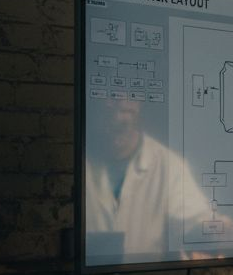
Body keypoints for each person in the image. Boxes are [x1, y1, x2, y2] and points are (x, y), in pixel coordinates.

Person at [85, 97, 220, 261]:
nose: (117, 117)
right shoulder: (77, 160)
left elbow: (198, 225)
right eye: (110, 101)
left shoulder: (170, 165)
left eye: (125, 110)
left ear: (138, 107)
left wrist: (221, 234)